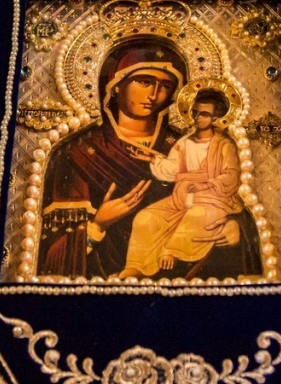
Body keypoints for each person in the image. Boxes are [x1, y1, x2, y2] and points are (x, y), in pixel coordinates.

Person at [36, 40, 185, 278]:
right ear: (116, 85)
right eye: (144, 82)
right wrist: (98, 225)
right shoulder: (80, 153)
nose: (154, 95)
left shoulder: (187, 147)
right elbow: (49, 253)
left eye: (165, 86)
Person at [118, 89, 243, 279]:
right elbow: (171, 170)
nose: (198, 118)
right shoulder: (184, 142)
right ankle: (136, 266)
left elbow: (231, 175)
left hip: (213, 200)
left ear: (215, 118)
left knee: (196, 215)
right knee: (146, 217)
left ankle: (171, 252)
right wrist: (151, 159)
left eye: (204, 114)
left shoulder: (223, 145)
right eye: (196, 112)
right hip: (180, 199)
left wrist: (207, 184)